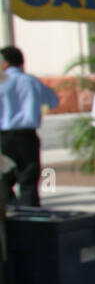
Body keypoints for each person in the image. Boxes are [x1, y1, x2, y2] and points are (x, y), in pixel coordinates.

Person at [0, 45, 58, 208]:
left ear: (5, 63)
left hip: (3, 138)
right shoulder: (32, 81)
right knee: (29, 179)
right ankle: (30, 215)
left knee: (4, 179)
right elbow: (53, 101)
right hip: (27, 136)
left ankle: (9, 212)